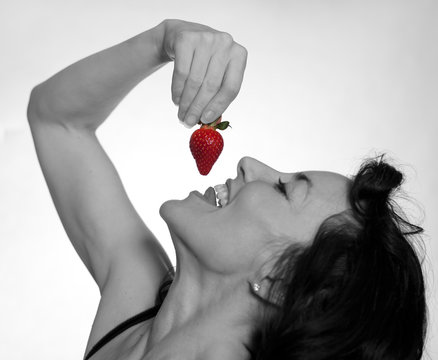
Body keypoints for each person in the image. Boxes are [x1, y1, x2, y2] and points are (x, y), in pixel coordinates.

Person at [27, 19, 426, 360]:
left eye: (285, 189)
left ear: (276, 281)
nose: (249, 164)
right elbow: (57, 121)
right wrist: (163, 39)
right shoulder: (139, 305)